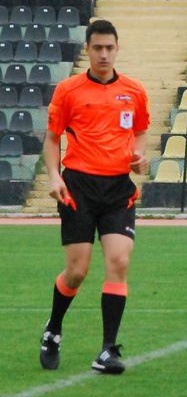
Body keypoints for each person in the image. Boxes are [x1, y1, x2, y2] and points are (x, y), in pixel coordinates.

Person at [39, 19, 150, 374]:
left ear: (117, 49)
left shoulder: (134, 91)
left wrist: (140, 156)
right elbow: (53, 139)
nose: (103, 54)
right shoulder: (69, 90)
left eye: (109, 47)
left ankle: (107, 351)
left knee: (119, 262)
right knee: (77, 271)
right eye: (97, 47)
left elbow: (140, 131)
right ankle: (53, 330)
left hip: (118, 189)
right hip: (79, 188)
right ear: (87, 49)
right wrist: (55, 176)